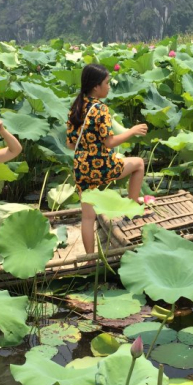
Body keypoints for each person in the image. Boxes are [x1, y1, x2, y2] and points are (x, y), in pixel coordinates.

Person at [66, 63, 148, 253]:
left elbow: (70, 144)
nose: (109, 86)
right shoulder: (100, 109)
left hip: (81, 168)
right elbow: (109, 142)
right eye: (107, 83)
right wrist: (133, 131)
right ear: (96, 86)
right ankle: (132, 206)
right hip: (102, 166)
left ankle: (89, 257)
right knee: (138, 163)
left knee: (87, 217)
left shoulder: (76, 107)